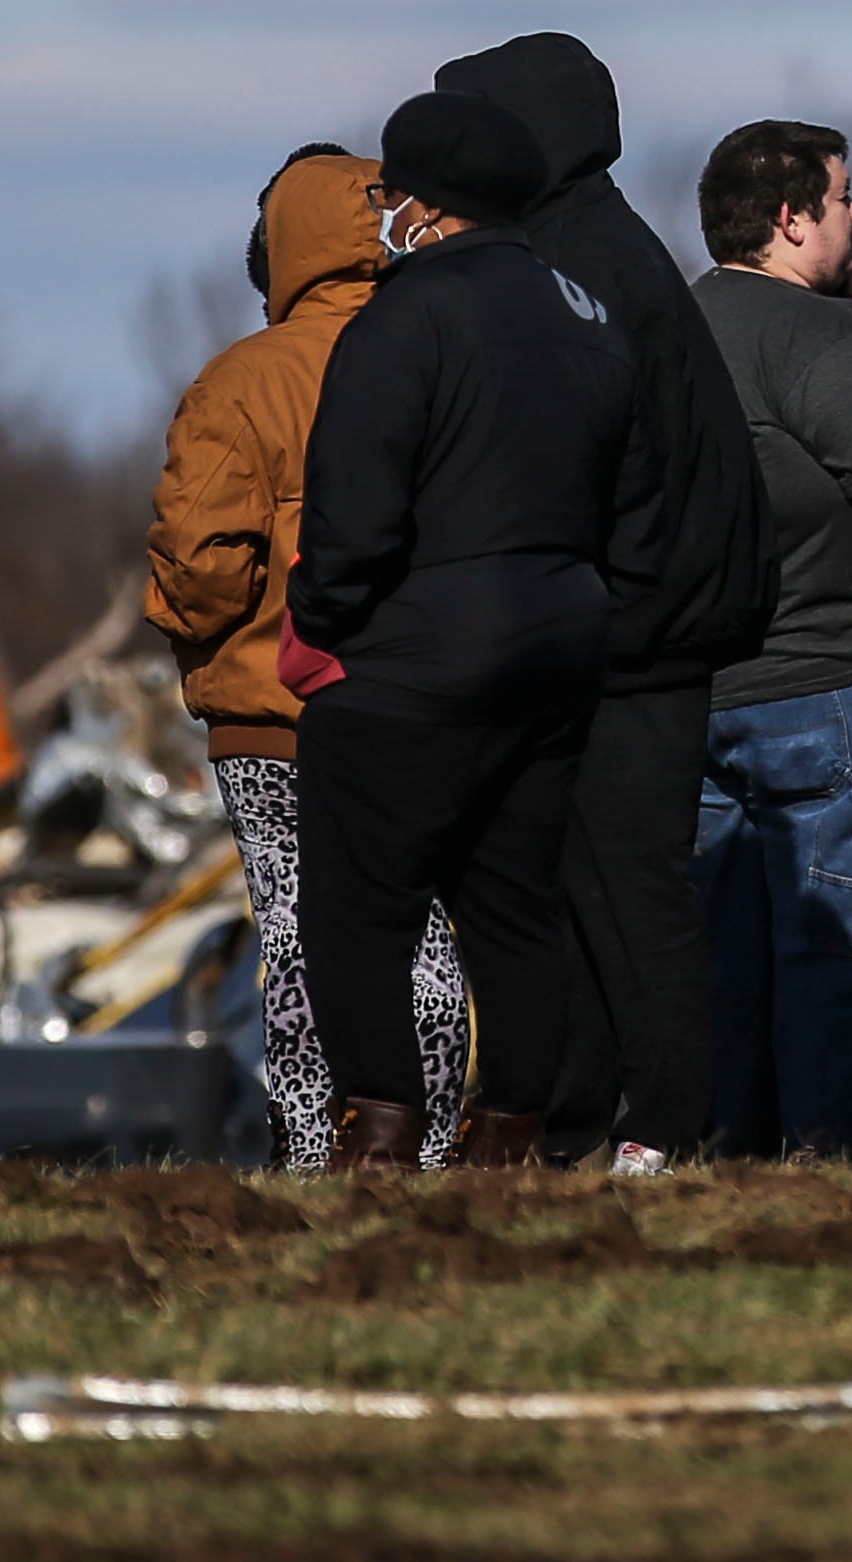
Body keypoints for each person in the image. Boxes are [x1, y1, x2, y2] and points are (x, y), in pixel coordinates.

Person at [290, 90, 675, 1170]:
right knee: (514, 901)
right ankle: (509, 1134)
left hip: (418, 649)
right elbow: (639, 509)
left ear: (426, 201)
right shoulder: (587, 314)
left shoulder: (404, 313)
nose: (383, 210)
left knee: (360, 905)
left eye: (388, 191)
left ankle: (379, 1131)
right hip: (560, 648)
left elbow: (355, 504)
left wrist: (324, 614)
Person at [431, 32, 773, 1174]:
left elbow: (588, 460)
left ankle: (665, 1124)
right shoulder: (585, 242)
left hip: (634, 633)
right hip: (622, 621)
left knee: (630, 887)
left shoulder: (579, 263)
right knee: (578, 885)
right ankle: (581, 1121)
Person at [142, 145, 470, 1170]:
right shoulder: (447, 353)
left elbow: (199, 566)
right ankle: (430, 1146)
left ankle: (316, 1152)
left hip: (271, 714)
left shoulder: (242, 380)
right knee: (426, 942)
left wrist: (187, 621)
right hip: (429, 709)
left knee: (297, 937)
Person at [686, 118, 852, 1158]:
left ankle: (731, 1175)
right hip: (841, 696)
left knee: (725, 980)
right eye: (843, 195)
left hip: (700, 707)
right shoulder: (825, 344)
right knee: (847, 968)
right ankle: (821, 1181)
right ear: (792, 218)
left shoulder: (675, 329)